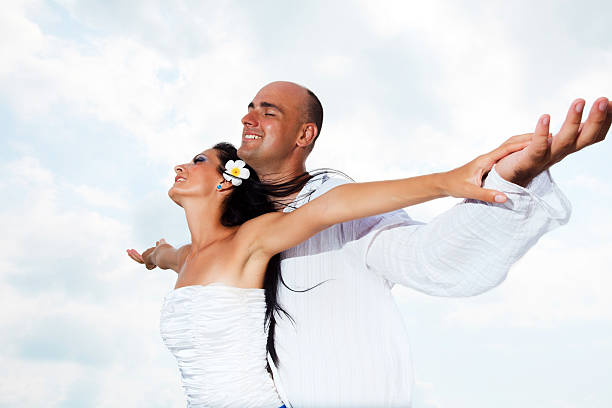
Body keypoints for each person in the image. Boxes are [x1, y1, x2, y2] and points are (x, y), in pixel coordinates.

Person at [141, 81, 611, 407]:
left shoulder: (334, 206)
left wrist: (498, 179)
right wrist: (154, 255)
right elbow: (180, 258)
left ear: (305, 134)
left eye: (269, 110)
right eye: (249, 106)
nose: (249, 117)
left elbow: (427, 258)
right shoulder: (233, 232)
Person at [127, 139, 526, 408]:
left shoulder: (250, 241)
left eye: (199, 161)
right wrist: (150, 255)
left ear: (225, 183)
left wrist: (448, 181)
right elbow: (163, 255)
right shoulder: (185, 258)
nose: (181, 165)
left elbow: (328, 208)